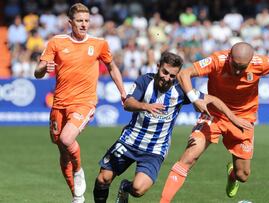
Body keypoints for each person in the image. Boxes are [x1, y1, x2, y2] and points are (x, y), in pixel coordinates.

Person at [160, 42, 269, 202]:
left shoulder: (260, 63)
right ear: (229, 56)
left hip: (243, 119)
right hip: (214, 114)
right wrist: (194, 99)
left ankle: (233, 174)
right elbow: (184, 73)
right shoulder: (218, 60)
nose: (238, 71)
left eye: (242, 67)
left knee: (243, 175)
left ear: (250, 61)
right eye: (235, 65)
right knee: (189, 156)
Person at [92, 51, 253, 203]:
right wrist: (145, 106)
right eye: (164, 72)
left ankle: (125, 188)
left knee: (138, 189)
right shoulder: (144, 81)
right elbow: (128, 103)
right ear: (158, 67)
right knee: (103, 178)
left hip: (155, 150)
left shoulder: (180, 91)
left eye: (172, 75)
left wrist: (233, 118)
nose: (167, 78)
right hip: (129, 141)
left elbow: (214, 100)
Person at [34, 3, 126, 203]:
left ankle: (79, 169)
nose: (84, 24)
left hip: (84, 102)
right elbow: (38, 72)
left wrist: (123, 92)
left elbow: (112, 67)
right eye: (79, 21)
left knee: (67, 139)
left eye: (86, 21)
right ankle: (76, 196)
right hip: (59, 104)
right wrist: (44, 68)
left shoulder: (99, 43)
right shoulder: (56, 42)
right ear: (70, 22)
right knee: (62, 149)